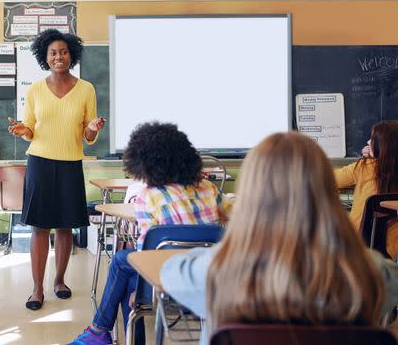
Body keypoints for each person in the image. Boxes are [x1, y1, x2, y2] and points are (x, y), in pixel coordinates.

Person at [161, 132, 398, 345]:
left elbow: (169, 270)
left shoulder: (211, 271)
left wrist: (221, 249)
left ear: (251, 195)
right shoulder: (377, 274)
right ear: (325, 190)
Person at [70, 122, 232, 345]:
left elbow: (145, 256)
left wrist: (141, 291)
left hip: (166, 285)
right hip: (209, 282)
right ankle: (99, 331)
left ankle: (100, 331)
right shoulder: (208, 189)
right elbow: (236, 221)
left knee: (122, 265)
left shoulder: (149, 197)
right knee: (127, 273)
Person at [7, 29, 105, 310]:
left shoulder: (86, 89)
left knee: (65, 227)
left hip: (70, 163)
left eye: (63, 52)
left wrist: (91, 128)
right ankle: (36, 288)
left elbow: (88, 135)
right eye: (53, 53)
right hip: (39, 162)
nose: (59, 56)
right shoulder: (35, 89)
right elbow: (30, 129)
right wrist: (20, 129)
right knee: (40, 227)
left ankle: (59, 281)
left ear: (71, 54)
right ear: (45, 57)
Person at [335, 120, 398, 256]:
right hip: (392, 255)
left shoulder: (366, 167)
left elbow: (331, 179)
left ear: (384, 146)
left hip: (356, 248)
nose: (368, 142)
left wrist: (368, 160)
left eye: (373, 140)